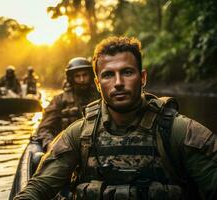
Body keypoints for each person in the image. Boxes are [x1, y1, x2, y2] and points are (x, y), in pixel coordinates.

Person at [14, 36, 217, 200]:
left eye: (127, 72)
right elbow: (38, 189)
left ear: (143, 77)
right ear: (98, 83)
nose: (118, 83)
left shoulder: (179, 132)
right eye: (108, 75)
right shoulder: (79, 134)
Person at [33, 57, 100, 151]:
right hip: (69, 148)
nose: (82, 80)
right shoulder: (59, 100)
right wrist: (50, 144)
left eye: (85, 75)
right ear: (71, 79)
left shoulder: (101, 97)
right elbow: (45, 129)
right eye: (77, 76)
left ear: (91, 76)